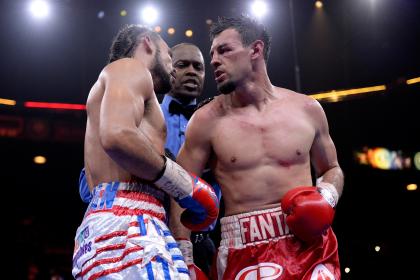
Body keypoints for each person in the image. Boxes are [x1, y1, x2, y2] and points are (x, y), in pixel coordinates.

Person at [173, 16, 344, 279]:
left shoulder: (307, 109)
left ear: (256, 49)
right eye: (212, 53)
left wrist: (326, 197)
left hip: (309, 247)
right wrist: (183, 257)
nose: (214, 60)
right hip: (244, 249)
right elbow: (180, 189)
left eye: (224, 50)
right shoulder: (206, 121)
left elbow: (332, 169)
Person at [72, 24, 219, 280]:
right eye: (170, 57)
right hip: (129, 222)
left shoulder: (118, 84)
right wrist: (185, 186)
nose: (173, 68)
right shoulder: (130, 67)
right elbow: (117, 135)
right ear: (148, 43)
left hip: (122, 222)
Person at [160, 43, 220, 276]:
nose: (192, 72)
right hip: (155, 237)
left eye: (198, 67)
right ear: (168, 69)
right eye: (182, 65)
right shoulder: (146, 114)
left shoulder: (217, 122)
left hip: (204, 242)